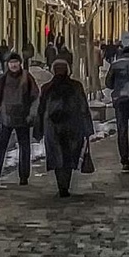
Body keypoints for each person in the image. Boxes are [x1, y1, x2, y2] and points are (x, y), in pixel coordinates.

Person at [36, 59, 94, 198]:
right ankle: (65, 184)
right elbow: (83, 108)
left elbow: (41, 110)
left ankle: (61, 185)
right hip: (73, 127)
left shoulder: (47, 88)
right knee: (68, 156)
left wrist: (38, 130)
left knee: (57, 156)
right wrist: (87, 129)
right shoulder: (76, 86)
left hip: (53, 127)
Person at [0, 53, 40, 186]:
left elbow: (35, 96)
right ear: (7, 64)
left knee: (24, 147)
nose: (14, 65)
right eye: (11, 62)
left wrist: (32, 114)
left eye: (16, 62)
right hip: (6, 118)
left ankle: (24, 176)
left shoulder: (27, 77)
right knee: (0, 147)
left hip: (23, 118)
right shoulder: (2, 79)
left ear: (20, 63)